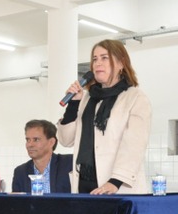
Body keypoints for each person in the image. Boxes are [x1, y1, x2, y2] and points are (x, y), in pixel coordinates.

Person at [57, 39, 151, 194]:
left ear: (121, 63)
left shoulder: (135, 98)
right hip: (83, 185)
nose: (97, 63)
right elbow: (66, 140)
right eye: (95, 59)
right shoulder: (87, 98)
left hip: (117, 187)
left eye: (104, 58)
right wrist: (73, 104)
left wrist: (115, 182)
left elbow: (134, 145)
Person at [12, 120, 72, 194]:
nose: (30, 145)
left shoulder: (69, 164)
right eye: (28, 140)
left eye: (36, 140)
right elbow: (16, 203)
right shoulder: (20, 172)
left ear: (51, 142)